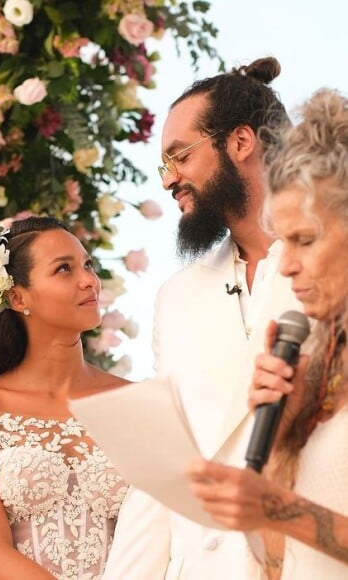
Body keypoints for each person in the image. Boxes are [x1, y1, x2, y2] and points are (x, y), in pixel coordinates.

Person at [103, 57, 303, 580]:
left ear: (240, 142)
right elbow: (162, 472)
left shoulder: (334, 259)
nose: (170, 179)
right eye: (163, 164)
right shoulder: (176, 297)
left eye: (180, 156)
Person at [188, 88, 348, 579]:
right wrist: (283, 431)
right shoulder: (317, 364)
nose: (289, 266)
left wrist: (277, 507)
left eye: (305, 240)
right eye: (284, 241)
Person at [0, 216, 131, 579]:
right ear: (17, 297)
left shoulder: (133, 402)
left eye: (88, 265)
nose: (88, 281)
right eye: (64, 269)